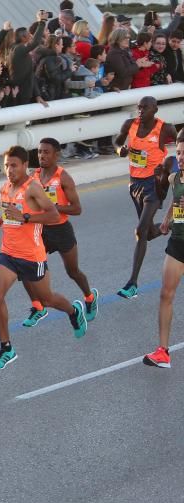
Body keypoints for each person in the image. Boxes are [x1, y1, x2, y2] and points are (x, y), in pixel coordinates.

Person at [0, 146, 87, 371]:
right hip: (9, 253)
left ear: (24, 166)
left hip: (32, 256)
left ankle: (74, 310)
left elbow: (52, 214)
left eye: (14, 165)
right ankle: (6, 348)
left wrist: (25, 217)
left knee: (46, 300)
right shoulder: (5, 188)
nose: (9, 170)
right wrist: (2, 220)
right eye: (6, 166)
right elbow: (12, 212)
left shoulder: (32, 188)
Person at [21, 138, 98, 328]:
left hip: (61, 230)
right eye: (39, 152)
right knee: (25, 267)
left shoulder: (63, 178)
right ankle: (38, 307)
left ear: (57, 155)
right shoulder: (34, 177)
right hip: (41, 230)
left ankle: (89, 297)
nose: (42, 156)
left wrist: (55, 208)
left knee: (72, 271)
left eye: (46, 152)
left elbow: (77, 208)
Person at [114, 97, 177, 299]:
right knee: (148, 233)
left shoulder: (165, 128)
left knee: (141, 230)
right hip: (135, 184)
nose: (140, 111)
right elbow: (115, 142)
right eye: (139, 107)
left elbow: (180, 144)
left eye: (145, 107)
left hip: (155, 184)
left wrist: (173, 167)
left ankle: (132, 283)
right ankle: (172, 225)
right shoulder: (129, 125)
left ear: (155, 109)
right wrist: (119, 150)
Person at [143, 137, 184, 368]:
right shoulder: (175, 178)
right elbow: (177, 201)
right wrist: (167, 220)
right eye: (178, 153)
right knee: (165, 294)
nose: (181, 157)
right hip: (178, 243)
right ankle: (163, 352)